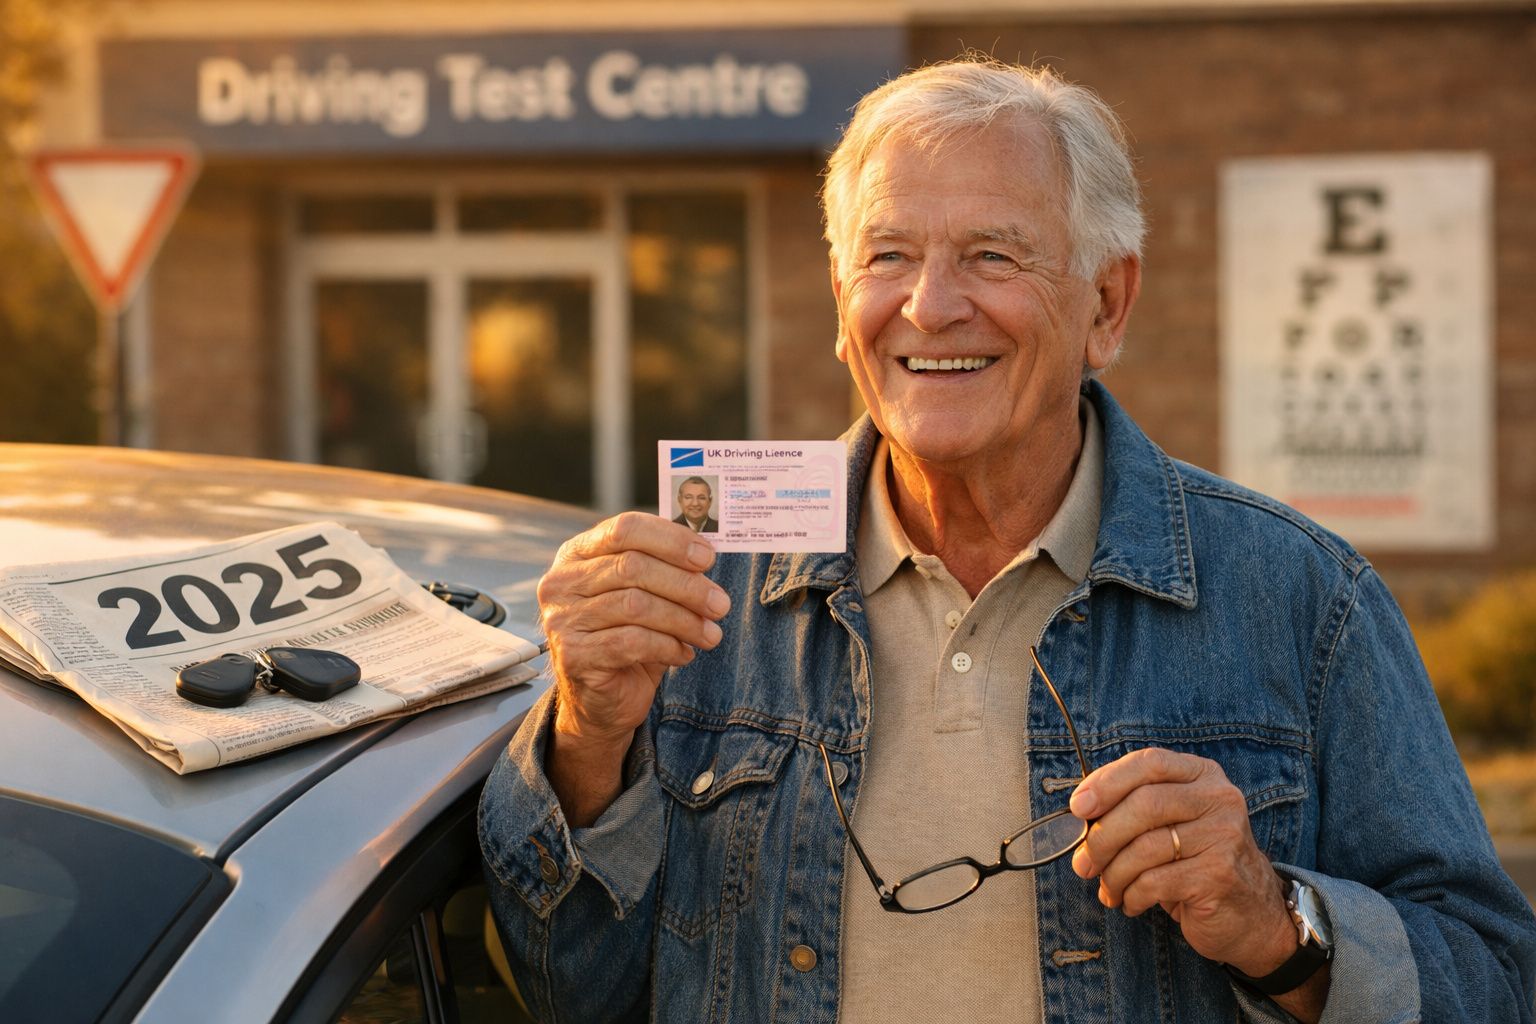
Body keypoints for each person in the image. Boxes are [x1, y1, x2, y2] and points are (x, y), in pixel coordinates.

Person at [479, 58, 1536, 1023]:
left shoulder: (1303, 598)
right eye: (888, 254)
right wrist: (586, 741)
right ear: (843, 300)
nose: (931, 307)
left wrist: (1274, 920)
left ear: (1107, 306)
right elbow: (564, 991)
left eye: (992, 254)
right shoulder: (697, 596)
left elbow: (1494, 978)